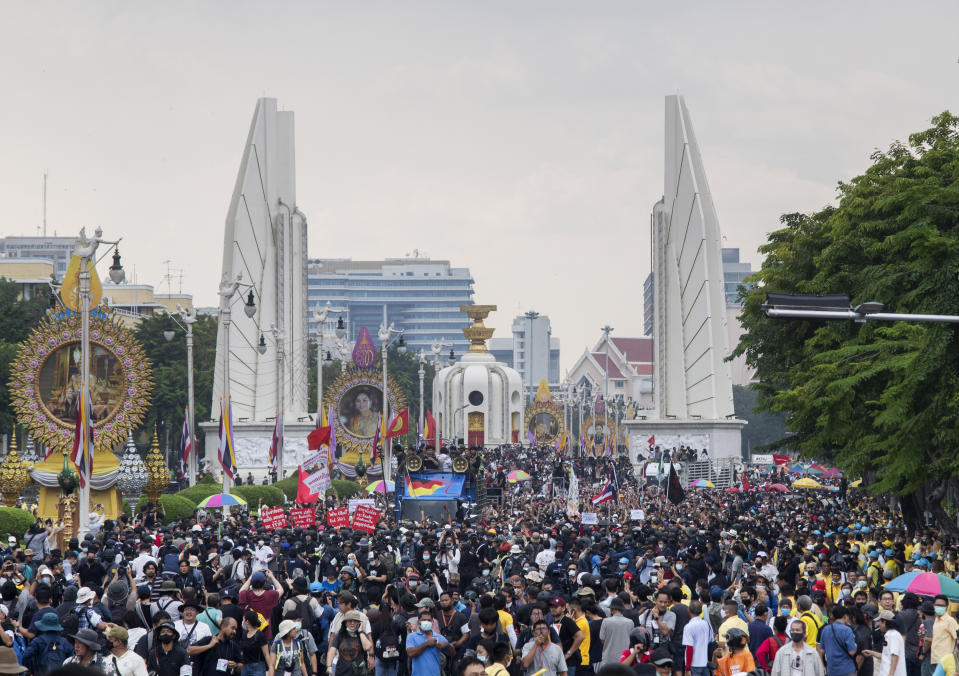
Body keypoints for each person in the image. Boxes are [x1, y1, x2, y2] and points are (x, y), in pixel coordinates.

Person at [406, 609, 453, 676]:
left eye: (429, 620)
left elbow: (453, 653)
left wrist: (447, 645)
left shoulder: (438, 636)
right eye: (424, 620)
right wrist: (426, 644)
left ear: (432, 622)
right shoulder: (412, 636)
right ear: (419, 621)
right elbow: (410, 653)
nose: (426, 622)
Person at [328, 610, 374, 676]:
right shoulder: (340, 635)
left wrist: (360, 631)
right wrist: (329, 666)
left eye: (355, 621)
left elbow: (367, 647)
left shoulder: (362, 635)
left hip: (358, 672)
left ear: (359, 623)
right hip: (342, 671)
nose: (352, 623)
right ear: (345, 623)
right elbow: (332, 651)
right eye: (350, 621)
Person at [819, 605, 858, 676]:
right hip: (846, 669)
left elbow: (821, 651)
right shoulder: (847, 630)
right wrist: (855, 646)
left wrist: (823, 666)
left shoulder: (825, 629)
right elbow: (852, 652)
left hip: (831, 670)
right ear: (845, 616)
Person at [864, 611, 907, 676]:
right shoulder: (890, 634)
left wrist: (891, 674)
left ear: (884, 622)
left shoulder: (893, 635)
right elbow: (886, 656)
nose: (878, 624)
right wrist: (871, 653)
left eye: (879, 621)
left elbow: (894, 656)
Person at [600, 597, 635, 669]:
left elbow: (602, 640)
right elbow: (632, 641)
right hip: (625, 659)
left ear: (612, 609)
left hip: (608, 659)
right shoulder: (630, 622)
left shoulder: (606, 621)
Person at [681, 600, 712, 676]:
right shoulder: (706, 624)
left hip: (694, 664)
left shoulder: (688, 627)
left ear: (688, 610)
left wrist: (687, 667)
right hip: (705, 662)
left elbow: (689, 648)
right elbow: (710, 641)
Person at [930, 596, 958, 673]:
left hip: (946, 661)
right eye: (937, 605)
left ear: (946, 607)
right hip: (935, 659)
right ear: (933, 605)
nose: (939, 607)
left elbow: (957, 637)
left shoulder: (950, 621)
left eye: (942, 606)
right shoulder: (936, 620)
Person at [239, 609, 271, 676]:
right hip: (245, 667)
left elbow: (266, 654)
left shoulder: (260, 635)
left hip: (258, 667)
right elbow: (242, 652)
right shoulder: (244, 635)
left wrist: (271, 669)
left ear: (247, 621)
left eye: (243, 619)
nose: (242, 621)